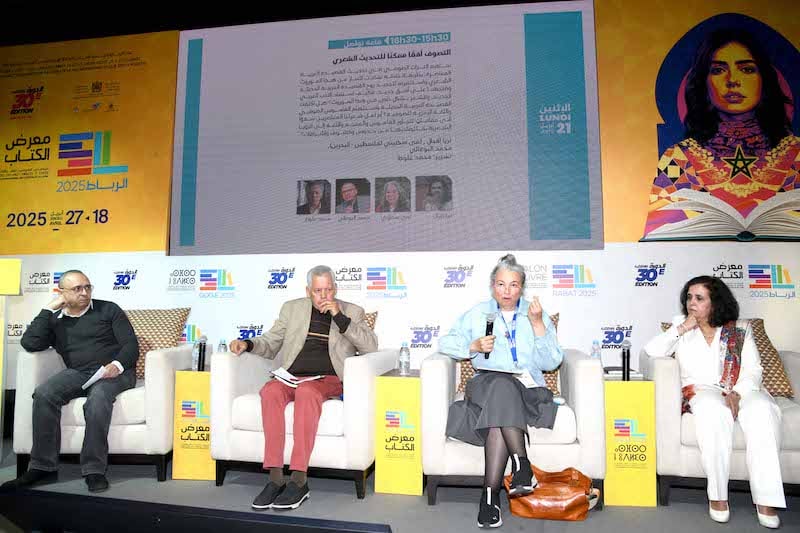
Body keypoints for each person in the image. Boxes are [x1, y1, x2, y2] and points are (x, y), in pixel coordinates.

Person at [228, 265, 378, 511]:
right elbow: (271, 342)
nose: (324, 296)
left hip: (327, 379)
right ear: (308, 291)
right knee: (270, 391)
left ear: (335, 289)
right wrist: (248, 343)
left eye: (328, 290)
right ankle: (275, 479)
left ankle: (299, 480)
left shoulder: (352, 311)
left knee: (307, 392)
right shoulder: (292, 309)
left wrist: (339, 317)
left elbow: (371, 346)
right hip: (292, 376)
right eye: (318, 291)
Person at [644, 275, 784, 529]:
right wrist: (682, 328)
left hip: (742, 389)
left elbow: (753, 369)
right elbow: (651, 351)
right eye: (689, 297)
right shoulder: (681, 326)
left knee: (762, 411)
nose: (692, 303)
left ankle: (767, 500)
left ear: (715, 302)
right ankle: (718, 496)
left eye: (699, 298)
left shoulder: (739, 329)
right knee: (713, 411)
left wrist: (737, 393)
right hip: (703, 390)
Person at [438, 254, 563, 528]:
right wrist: (472, 346)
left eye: (514, 285)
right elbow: (444, 342)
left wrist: (538, 325)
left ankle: (489, 496)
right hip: (485, 384)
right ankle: (522, 465)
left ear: (522, 287)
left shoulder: (535, 314)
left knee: (499, 412)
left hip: (526, 389)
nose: (507, 291)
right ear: (492, 285)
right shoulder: (478, 313)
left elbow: (552, 362)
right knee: (499, 386)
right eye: (501, 284)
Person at [643, 28, 799, 239]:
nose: (732, 80)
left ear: (764, 79)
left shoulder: (797, 155)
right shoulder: (679, 159)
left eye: (747, 69)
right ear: (703, 82)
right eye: (718, 70)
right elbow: (660, 238)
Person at [0, 270, 138, 494]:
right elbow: (30, 343)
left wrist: (117, 365)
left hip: (115, 372)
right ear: (61, 292)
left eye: (87, 287)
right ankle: (42, 467)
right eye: (77, 289)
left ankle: (94, 470)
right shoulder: (56, 320)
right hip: (79, 372)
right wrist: (48, 309)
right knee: (44, 394)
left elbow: (131, 345)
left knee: (98, 398)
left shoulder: (108, 309)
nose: (84, 293)